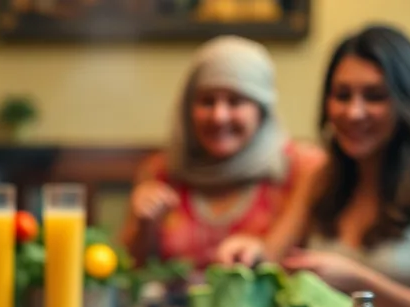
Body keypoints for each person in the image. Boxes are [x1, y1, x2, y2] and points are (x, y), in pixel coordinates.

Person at [264, 25, 410, 307]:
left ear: (408, 102)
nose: (354, 112)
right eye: (342, 95)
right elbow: (271, 261)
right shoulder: (321, 175)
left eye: (374, 96)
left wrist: (360, 282)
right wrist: (246, 251)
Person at [120, 35, 323, 270]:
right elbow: (128, 269)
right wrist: (143, 225)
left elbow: (277, 260)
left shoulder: (300, 168)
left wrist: (257, 251)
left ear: (262, 110)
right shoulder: (161, 171)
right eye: (207, 101)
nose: (219, 116)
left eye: (235, 101)